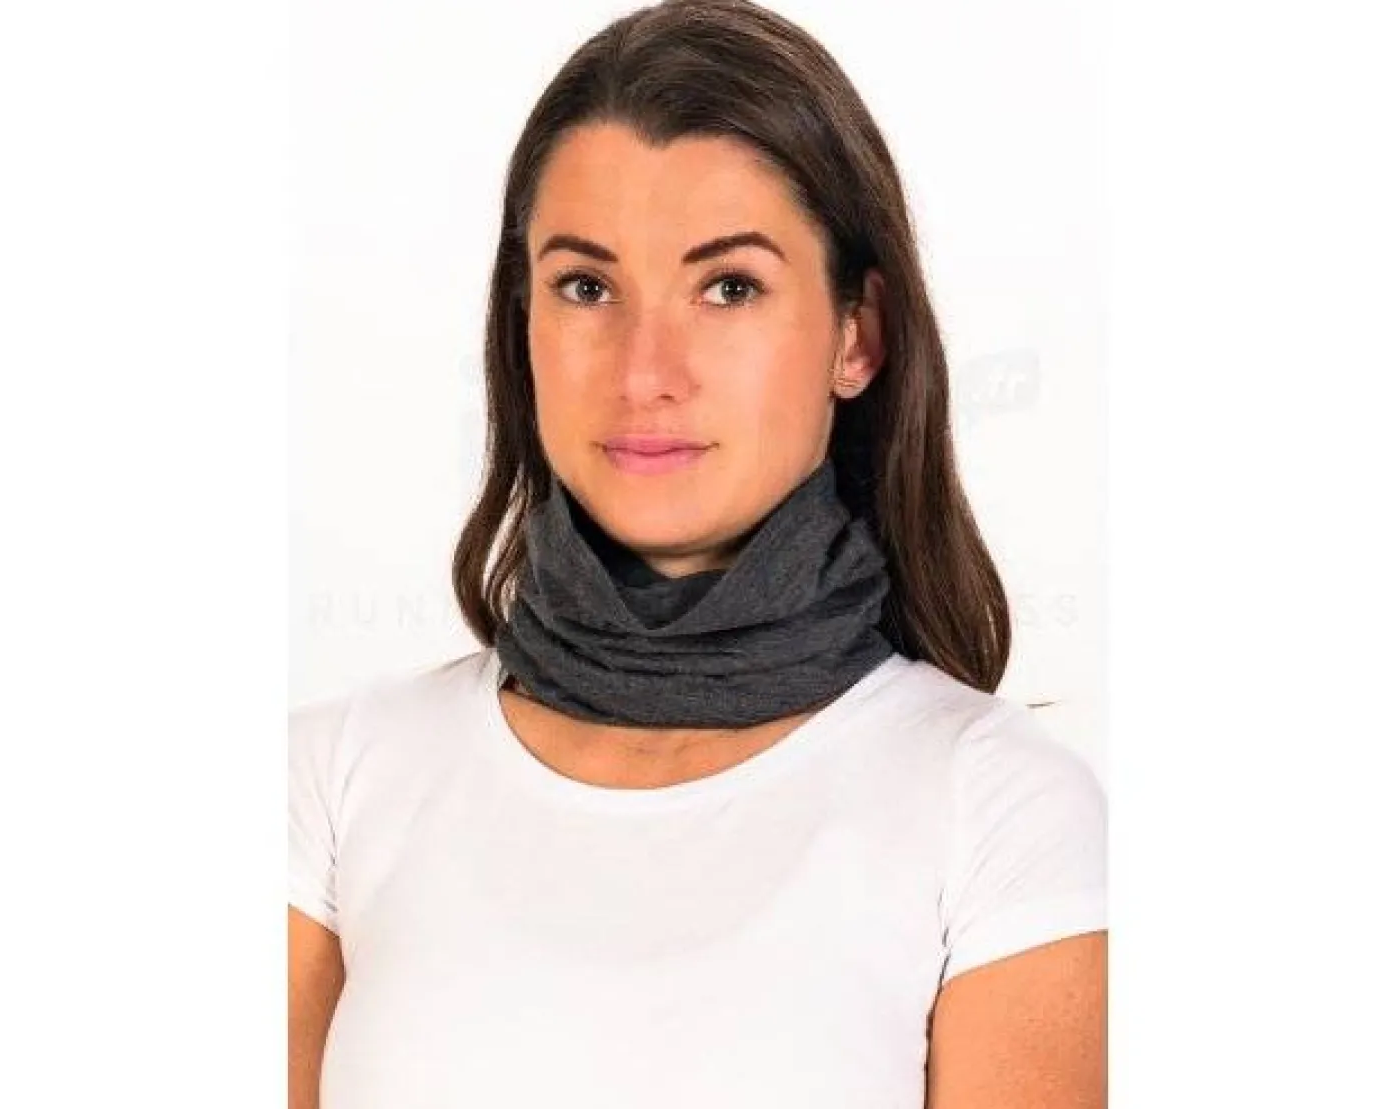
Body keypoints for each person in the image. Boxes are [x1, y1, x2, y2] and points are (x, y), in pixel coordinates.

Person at [288, 1, 1106, 1106]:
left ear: (858, 334)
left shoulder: (998, 809)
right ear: (522, 322)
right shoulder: (330, 780)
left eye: (729, 287)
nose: (644, 371)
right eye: (586, 287)